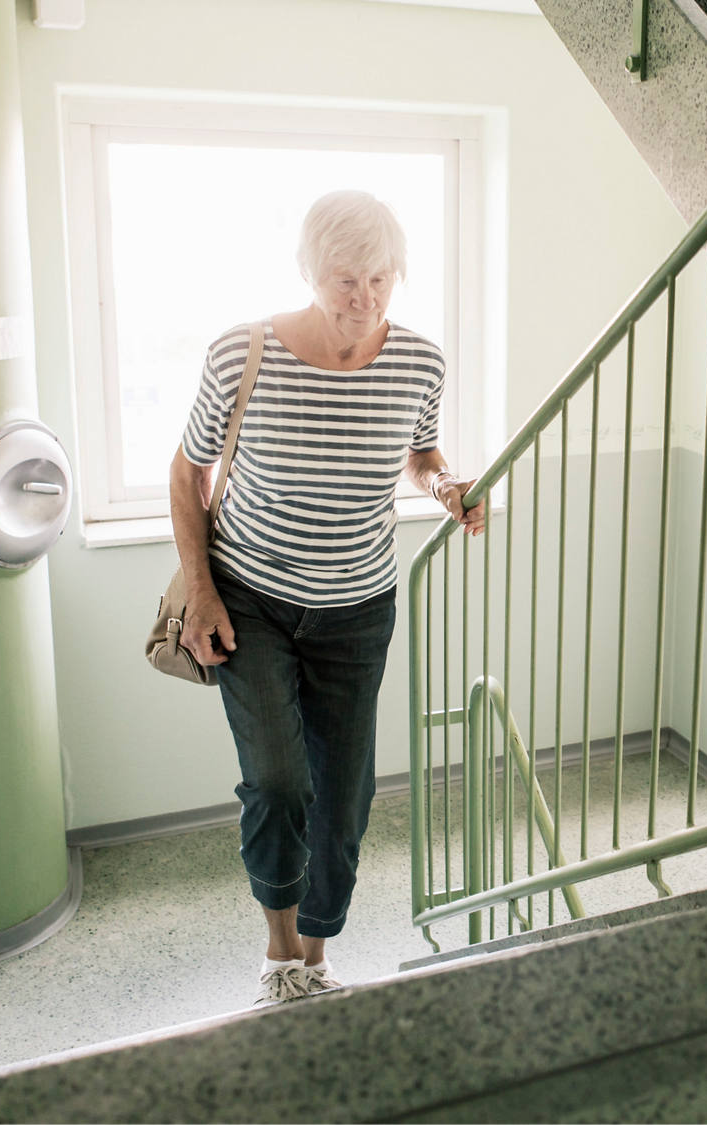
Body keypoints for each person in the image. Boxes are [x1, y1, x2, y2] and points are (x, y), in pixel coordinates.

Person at [168, 189, 484, 1008]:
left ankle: (316, 953)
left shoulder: (419, 360)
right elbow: (187, 471)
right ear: (309, 272)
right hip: (255, 600)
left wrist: (445, 482)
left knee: (344, 799)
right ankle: (279, 958)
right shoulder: (243, 354)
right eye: (345, 279)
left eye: (380, 278)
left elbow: (419, 453)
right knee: (278, 781)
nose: (364, 297)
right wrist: (201, 589)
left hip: (357, 607)